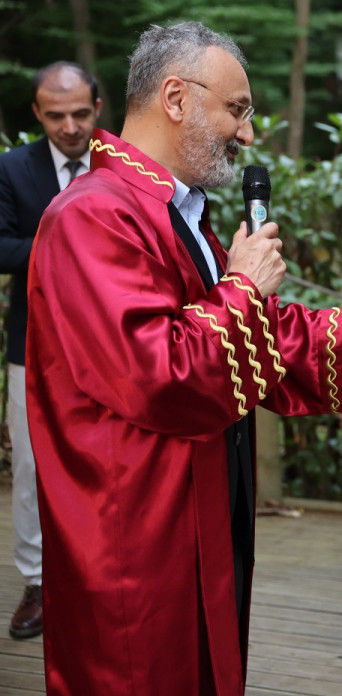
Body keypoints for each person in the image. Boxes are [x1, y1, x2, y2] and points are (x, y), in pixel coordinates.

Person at [25, 21, 342, 696]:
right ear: (176, 98)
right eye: (237, 109)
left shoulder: (172, 210)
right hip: (133, 526)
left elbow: (260, 335)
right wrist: (242, 286)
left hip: (197, 503)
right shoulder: (91, 216)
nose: (248, 134)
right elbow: (159, 375)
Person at [0, 61, 101, 639]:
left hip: (112, 345)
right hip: (32, 342)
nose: (70, 127)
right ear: (37, 113)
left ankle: (96, 577)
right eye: (56, 115)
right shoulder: (12, 168)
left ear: (98, 108)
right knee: (31, 467)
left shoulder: (121, 163)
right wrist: (69, 247)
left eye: (80, 113)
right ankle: (38, 581)